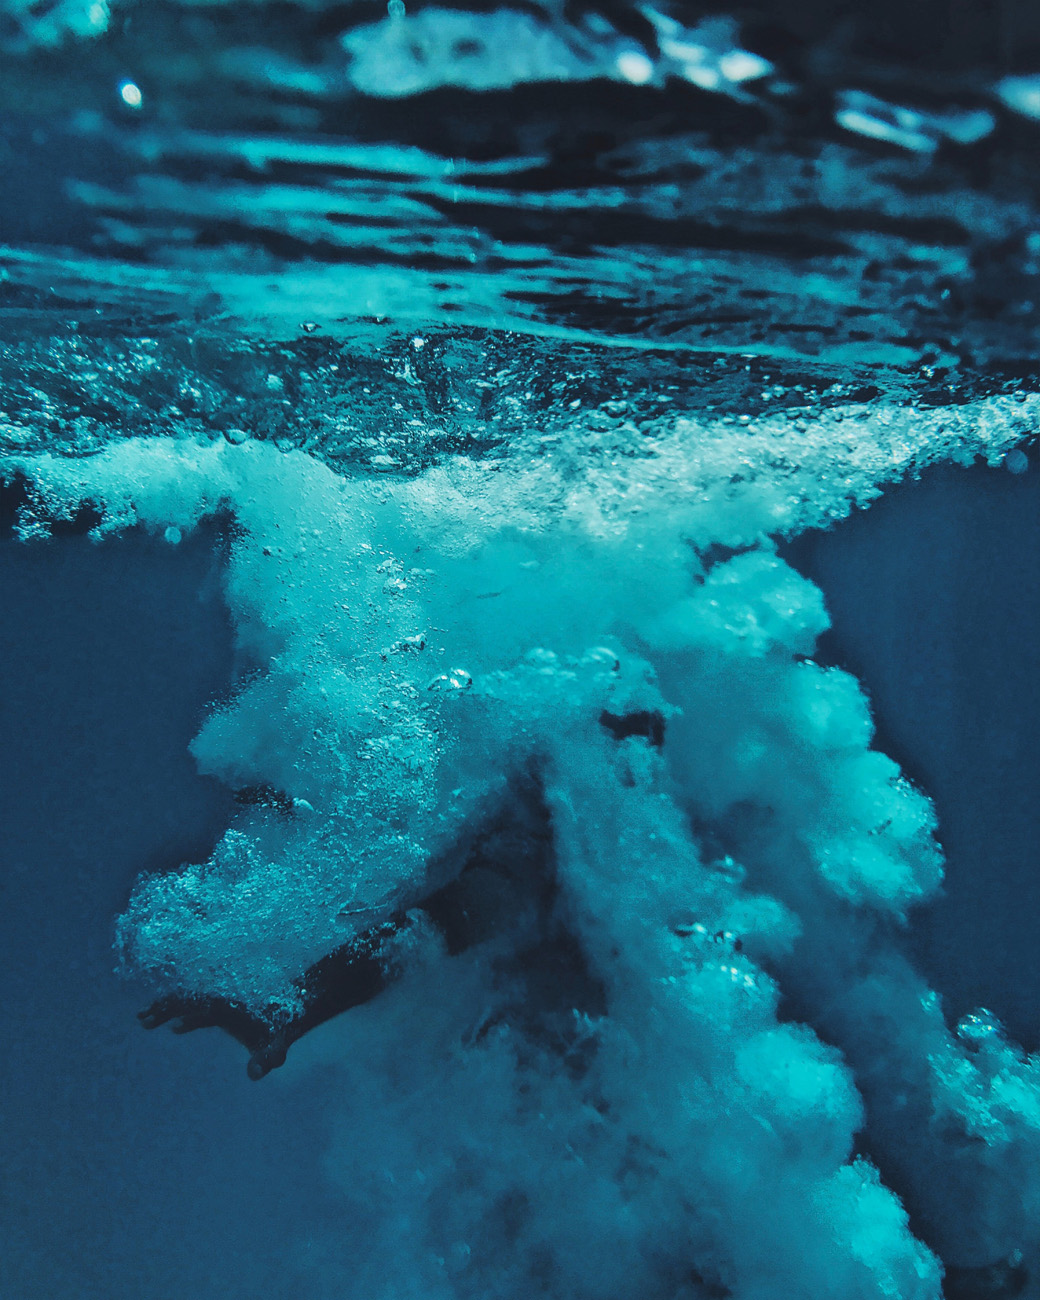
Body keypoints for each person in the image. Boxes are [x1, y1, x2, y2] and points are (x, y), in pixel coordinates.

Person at [139, 708, 665, 1078]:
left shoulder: (561, 852)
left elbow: (425, 926)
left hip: (570, 998)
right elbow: (417, 914)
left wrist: (286, 1015)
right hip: (559, 1028)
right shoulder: (540, 827)